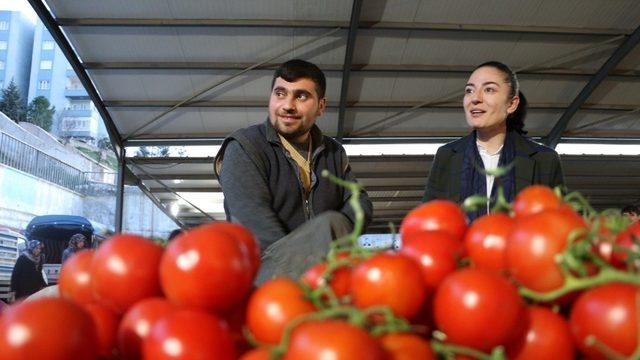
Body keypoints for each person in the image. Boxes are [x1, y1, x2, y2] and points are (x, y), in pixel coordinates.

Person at [215, 59, 373, 283]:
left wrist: (334, 235)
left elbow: (361, 204)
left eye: (301, 96)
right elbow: (258, 233)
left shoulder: (334, 153)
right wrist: (324, 238)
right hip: (266, 278)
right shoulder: (245, 147)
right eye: (280, 93)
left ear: (321, 106)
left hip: (326, 273)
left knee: (334, 225)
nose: (288, 105)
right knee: (330, 224)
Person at [423, 61, 565, 221]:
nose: (475, 98)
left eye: (489, 89)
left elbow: (558, 225)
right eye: (469, 90)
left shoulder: (544, 159)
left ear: (512, 104)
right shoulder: (447, 156)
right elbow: (429, 221)